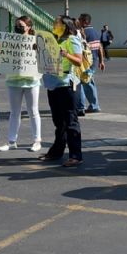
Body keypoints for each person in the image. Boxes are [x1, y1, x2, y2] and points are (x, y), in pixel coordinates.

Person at [38, 16, 84, 167]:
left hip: (66, 84)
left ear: (65, 25)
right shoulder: (53, 40)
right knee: (59, 122)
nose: (54, 24)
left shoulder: (72, 40)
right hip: (53, 84)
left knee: (71, 120)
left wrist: (66, 54)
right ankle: (56, 151)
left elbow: (79, 61)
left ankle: (76, 155)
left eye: (57, 23)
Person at [0, 16, 42, 152]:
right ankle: (11, 141)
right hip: (13, 80)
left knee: (33, 111)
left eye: (21, 25)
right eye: (16, 25)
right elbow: (0, 55)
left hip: (31, 81)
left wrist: (37, 48)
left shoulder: (35, 41)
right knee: (14, 112)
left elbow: (44, 56)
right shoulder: (9, 41)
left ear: (28, 27)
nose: (18, 28)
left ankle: (37, 140)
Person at [76, 13, 105, 114]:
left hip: (85, 63)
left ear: (84, 22)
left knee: (82, 83)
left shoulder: (82, 33)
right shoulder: (95, 32)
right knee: (89, 83)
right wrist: (101, 61)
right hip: (93, 62)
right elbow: (100, 47)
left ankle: (81, 106)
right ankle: (94, 105)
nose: (78, 22)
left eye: (79, 20)